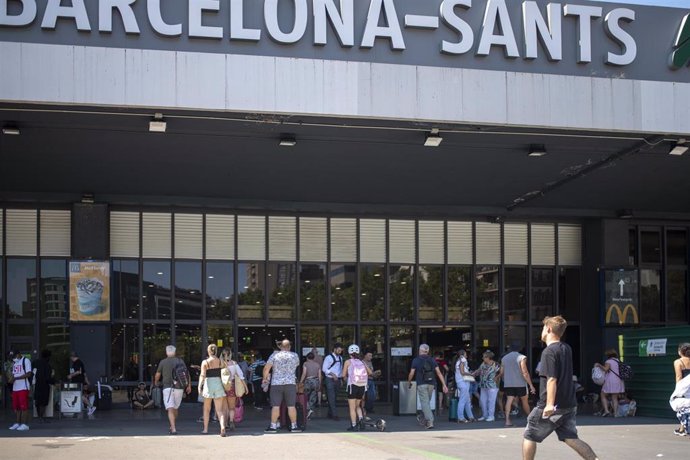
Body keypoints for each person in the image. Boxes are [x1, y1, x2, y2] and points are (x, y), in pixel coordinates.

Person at [523, 316, 598, 460]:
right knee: (570, 437)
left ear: (549, 329)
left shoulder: (549, 352)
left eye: (544, 327)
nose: (542, 331)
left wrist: (549, 404)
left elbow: (552, 379)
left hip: (551, 404)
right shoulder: (566, 348)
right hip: (569, 403)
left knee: (529, 435)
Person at [263, 339, 301, 433]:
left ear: (280, 346)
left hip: (276, 383)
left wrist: (265, 378)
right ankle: (294, 426)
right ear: (289, 346)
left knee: (275, 406)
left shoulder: (274, 355)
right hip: (290, 383)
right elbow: (296, 365)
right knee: (291, 406)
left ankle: (273, 426)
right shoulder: (294, 356)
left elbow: (266, 368)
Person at [408, 344, 449, 429]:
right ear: (427, 351)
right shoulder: (432, 360)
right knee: (426, 402)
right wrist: (444, 384)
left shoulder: (416, 360)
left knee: (425, 403)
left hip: (421, 384)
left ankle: (430, 421)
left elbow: (411, 373)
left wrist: (409, 381)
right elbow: (438, 373)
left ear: (420, 350)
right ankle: (424, 417)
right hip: (431, 384)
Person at [154, 345, 192, 435]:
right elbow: (187, 374)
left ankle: (173, 428)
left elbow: (157, 374)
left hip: (167, 388)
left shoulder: (163, 362)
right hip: (179, 388)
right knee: (175, 408)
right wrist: (189, 385)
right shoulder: (180, 361)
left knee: (170, 409)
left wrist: (155, 382)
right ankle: (173, 426)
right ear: (174, 352)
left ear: (166, 352)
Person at [501, 346, 536, 427]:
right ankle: (530, 419)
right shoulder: (522, 357)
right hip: (520, 383)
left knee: (509, 400)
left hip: (508, 383)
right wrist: (531, 385)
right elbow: (525, 372)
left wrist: (506, 380)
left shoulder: (504, 358)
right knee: (524, 401)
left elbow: (502, 372)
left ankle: (507, 421)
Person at [198, 344, 228, 436]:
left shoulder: (205, 362)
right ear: (216, 351)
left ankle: (205, 429)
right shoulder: (220, 361)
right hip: (218, 384)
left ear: (208, 351)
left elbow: (203, 375)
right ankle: (222, 427)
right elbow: (225, 370)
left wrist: (199, 386)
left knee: (206, 409)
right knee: (219, 410)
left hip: (208, 384)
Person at [342, 344, 372, 431]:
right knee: (358, 405)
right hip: (362, 386)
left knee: (352, 407)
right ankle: (361, 419)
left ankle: (354, 426)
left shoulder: (348, 362)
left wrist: (346, 377)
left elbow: (343, 375)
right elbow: (370, 372)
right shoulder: (362, 362)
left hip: (353, 385)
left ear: (349, 353)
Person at [594, 349, 625, 417]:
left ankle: (606, 411)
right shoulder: (618, 361)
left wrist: (599, 365)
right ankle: (616, 413)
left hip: (610, 380)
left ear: (608, 355)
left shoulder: (608, 361)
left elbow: (605, 369)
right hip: (618, 380)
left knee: (603, 394)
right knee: (615, 397)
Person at [221, 348, 247, 431]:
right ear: (230, 354)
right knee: (231, 407)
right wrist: (246, 387)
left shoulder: (220, 364)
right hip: (231, 386)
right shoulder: (234, 364)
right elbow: (241, 376)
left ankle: (224, 424)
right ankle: (231, 421)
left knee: (223, 407)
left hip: (221, 387)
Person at [8, 350, 32, 431]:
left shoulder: (26, 360)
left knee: (24, 407)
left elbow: (29, 373)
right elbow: (14, 374)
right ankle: (17, 423)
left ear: (18, 354)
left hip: (23, 387)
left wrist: (16, 378)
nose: (13, 359)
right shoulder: (15, 363)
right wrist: (12, 379)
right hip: (15, 388)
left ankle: (24, 424)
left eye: (14, 357)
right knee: (17, 407)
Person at [322, 343, 344, 421]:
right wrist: (332, 374)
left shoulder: (341, 358)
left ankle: (330, 413)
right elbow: (324, 369)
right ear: (334, 349)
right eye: (338, 350)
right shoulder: (328, 358)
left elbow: (340, 369)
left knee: (334, 397)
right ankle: (335, 415)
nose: (340, 351)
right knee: (331, 396)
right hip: (330, 379)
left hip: (337, 379)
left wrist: (341, 379)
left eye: (341, 350)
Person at [477, 350, 501, 422]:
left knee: (491, 401)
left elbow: (502, 372)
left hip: (492, 385)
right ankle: (485, 415)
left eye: (484, 357)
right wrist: (474, 373)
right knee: (483, 400)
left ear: (488, 357)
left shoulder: (495, 364)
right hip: (483, 384)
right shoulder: (483, 363)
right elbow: (479, 370)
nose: (482, 358)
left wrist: (496, 378)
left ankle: (491, 416)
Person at [672, 343, 690, 436]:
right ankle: (682, 428)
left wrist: (677, 390)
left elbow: (679, 376)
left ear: (680, 352)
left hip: (684, 387)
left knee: (682, 408)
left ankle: (683, 429)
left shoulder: (678, 362)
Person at [32, 349, 55, 422]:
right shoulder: (48, 365)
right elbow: (48, 378)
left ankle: (39, 417)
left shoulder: (35, 362)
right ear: (48, 357)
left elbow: (32, 372)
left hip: (36, 384)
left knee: (38, 401)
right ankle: (41, 417)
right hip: (44, 385)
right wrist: (54, 381)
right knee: (43, 402)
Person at [454, 349, 476, 423]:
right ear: (462, 355)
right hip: (463, 382)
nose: (467, 355)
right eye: (466, 354)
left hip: (462, 381)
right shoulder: (462, 360)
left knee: (466, 400)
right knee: (463, 400)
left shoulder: (458, 361)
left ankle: (470, 417)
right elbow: (462, 372)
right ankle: (460, 417)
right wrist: (471, 374)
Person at [298, 351, 322, 419]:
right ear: (313, 358)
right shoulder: (318, 365)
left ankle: (307, 409)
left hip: (308, 381)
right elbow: (320, 375)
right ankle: (311, 409)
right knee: (313, 397)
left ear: (307, 358)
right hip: (316, 381)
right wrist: (319, 384)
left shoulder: (305, 363)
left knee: (306, 396)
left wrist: (301, 381)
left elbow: (304, 373)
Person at [362, 351, 380, 416]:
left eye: (371, 356)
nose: (371, 357)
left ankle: (369, 408)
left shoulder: (370, 362)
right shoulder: (362, 363)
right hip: (365, 380)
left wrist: (375, 374)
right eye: (369, 355)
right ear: (365, 356)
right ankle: (365, 409)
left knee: (372, 395)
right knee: (365, 396)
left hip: (371, 380)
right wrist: (374, 373)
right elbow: (366, 373)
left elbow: (371, 373)